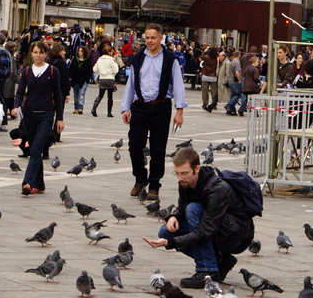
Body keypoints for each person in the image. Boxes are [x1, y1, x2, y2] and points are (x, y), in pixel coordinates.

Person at [142, 147, 255, 288]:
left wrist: (170, 243)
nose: (180, 178)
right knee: (166, 232)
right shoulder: (185, 182)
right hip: (214, 227)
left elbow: (204, 231)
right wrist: (174, 216)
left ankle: (207, 270)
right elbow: (182, 206)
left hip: (235, 235)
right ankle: (220, 261)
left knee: (193, 209)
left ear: (197, 169)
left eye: (184, 173)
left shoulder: (218, 189)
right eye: (177, 173)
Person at [120, 23, 186, 200]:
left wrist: (179, 111)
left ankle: (155, 184)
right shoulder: (138, 57)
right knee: (135, 145)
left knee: (158, 148)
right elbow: (131, 84)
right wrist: (126, 107)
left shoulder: (170, 58)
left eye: (153, 37)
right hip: (140, 106)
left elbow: (178, 85)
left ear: (161, 38)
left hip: (161, 107)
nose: (149, 41)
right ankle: (140, 178)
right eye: (147, 38)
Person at [13, 40, 65, 195]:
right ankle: (40, 184)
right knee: (35, 150)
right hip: (29, 115)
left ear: (45, 53)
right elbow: (20, 91)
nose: (38, 55)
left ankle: (27, 182)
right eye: (35, 52)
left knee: (36, 149)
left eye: (41, 52)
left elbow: (58, 95)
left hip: (46, 114)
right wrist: (16, 106)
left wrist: (60, 118)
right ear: (31, 53)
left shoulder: (52, 71)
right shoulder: (26, 71)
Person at [90, 43, 121, 117]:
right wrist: (112, 73)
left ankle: (94, 108)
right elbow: (116, 70)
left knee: (100, 95)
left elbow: (95, 69)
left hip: (102, 79)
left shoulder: (100, 59)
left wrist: (101, 71)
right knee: (110, 97)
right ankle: (109, 112)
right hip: (110, 79)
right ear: (109, 52)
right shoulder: (112, 60)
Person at [68, 45, 93, 114]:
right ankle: (76, 107)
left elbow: (90, 71)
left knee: (81, 93)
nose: (79, 52)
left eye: (81, 51)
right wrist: (69, 76)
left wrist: (87, 78)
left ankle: (80, 107)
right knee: (76, 94)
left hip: (83, 80)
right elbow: (71, 68)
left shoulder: (87, 60)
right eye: (79, 51)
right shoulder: (75, 59)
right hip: (75, 79)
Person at [223, 49, 243, 115]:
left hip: (230, 80)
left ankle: (231, 109)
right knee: (238, 94)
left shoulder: (231, 62)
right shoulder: (237, 62)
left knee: (233, 94)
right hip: (235, 81)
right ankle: (229, 105)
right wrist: (239, 80)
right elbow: (237, 72)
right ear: (239, 55)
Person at [199, 46, 219, 112]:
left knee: (205, 91)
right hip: (213, 76)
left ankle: (205, 104)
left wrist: (205, 50)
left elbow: (201, 57)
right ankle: (214, 104)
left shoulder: (206, 57)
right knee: (214, 92)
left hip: (205, 75)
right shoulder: (216, 58)